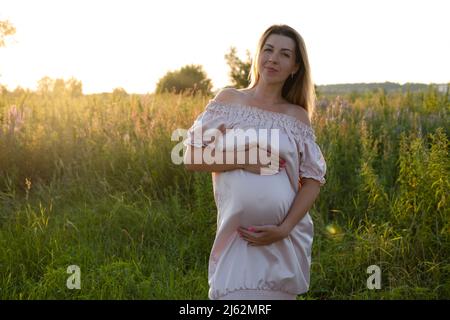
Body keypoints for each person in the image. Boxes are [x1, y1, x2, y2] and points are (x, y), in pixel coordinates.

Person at [183, 24, 327, 300]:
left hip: (282, 242)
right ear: (258, 55)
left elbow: (313, 180)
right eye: (268, 50)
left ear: (295, 67)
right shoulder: (229, 100)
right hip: (237, 236)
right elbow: (191, 156)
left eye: (285, 54)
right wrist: (243, 159)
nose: (273, 58)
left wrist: (284, 229)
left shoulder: (296, 116)